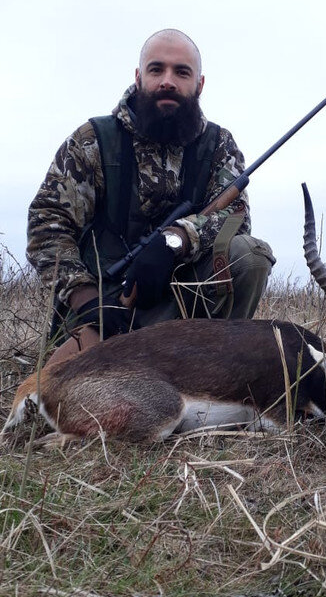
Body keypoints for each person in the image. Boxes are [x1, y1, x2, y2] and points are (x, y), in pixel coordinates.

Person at [27, 29, 275, 363]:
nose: (168, 81)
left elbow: (235, 219)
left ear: (200, 84)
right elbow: (47, 225)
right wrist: (87, 301)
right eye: (157, 69)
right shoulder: (93, 139)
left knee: (250, 254)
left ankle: (212, 369)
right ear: (139, 77)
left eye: (181, 72)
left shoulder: (219, 145)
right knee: (67, 384)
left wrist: (177, 240)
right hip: (104, 308)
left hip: (179, 301)